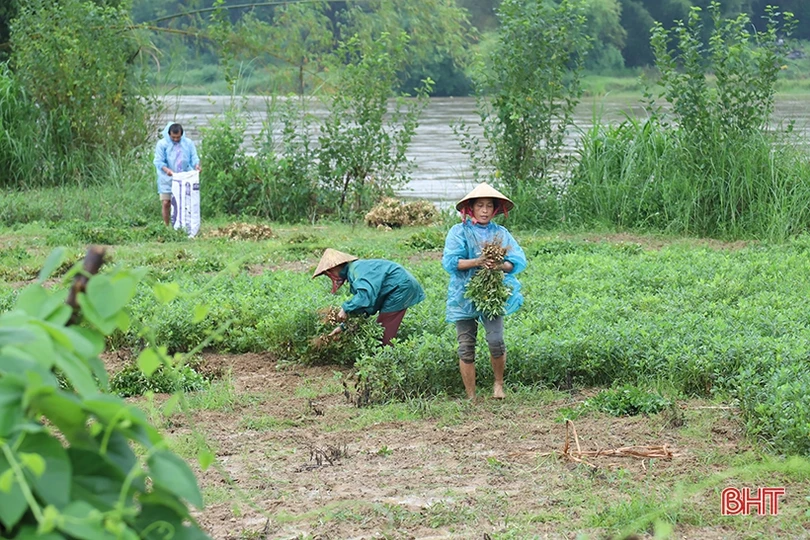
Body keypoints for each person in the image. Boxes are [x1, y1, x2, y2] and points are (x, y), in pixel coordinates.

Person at [442, 182, 527, 400]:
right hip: (464, 294)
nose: (485, 211)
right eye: (480, 206)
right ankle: (471, 396)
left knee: (496, 341)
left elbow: (514, 262)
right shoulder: (459, 231)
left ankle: (498, 385)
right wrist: (478, 261)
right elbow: (452, 262)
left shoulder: (500, 233)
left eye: (489, 206)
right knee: (466, 346)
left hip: (492, 293)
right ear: (471, 208)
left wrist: (498, 265)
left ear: (495, 209)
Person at [312, 248, 426, 346]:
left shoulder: (356, 270)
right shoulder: (354, 272)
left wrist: (345, 308)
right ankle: (383, 356)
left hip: (400, 286)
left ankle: (385, 359)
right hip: (398, 285)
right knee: (382, 329)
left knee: (384, 332)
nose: (330, 276)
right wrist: (343, 327)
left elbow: (364, 296)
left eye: (328, 273)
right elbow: (366, 306)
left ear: (334, 268)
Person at [153, 122, 201, 226]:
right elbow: (159, 161)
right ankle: (166, 226)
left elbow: (194, 157)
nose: (175, 139)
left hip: (184, 177)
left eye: (178, 137)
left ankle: (182, 224)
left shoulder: (188, 143)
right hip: (167, 178)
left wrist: (196, 166)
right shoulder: (162, 144)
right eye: (173, 137)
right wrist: (167, 171)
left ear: (181, 135)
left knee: (183, 202)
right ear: (169, 134)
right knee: (166, 202)